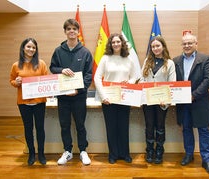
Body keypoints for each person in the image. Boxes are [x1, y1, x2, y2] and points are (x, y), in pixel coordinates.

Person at [49, 19, 93, 165]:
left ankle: (82, 151)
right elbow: (52, 68)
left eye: (74, 28)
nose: (72, 31)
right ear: (65, 32)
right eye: (69, 29)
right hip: (63, 96)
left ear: (78, 32)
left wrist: (78, 90)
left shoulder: (85, 52)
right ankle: (67, 151)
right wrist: (61, 70)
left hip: (79, 96)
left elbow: (88, 75)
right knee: (65, 124)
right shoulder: (58, 51)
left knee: (80, 124)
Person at [173, 34, 209, 175]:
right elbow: (174, 81)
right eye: (184, 43)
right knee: (186, 128)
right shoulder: (176, 60)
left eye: (190, 43)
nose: (187, 46)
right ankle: (189, 154)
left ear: (196, 43)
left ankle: (206, 159)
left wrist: (194, 95)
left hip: (200, 101)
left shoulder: (205, 59)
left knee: (203, 130)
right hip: (183, 102)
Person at [94, 33, 136, 164]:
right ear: (110, 44)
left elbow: (134, 77)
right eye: (113, 42)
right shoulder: (105, 58)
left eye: (118, 42)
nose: (116, 44)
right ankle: (113, 154)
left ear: (122, 43)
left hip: (124, 98)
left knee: (124, 127)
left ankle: (125, 154)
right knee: (111, 127)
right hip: (108, 99)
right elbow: (97, 78)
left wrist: (130, 82)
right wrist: (103, 96)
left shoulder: (129, 59)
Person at [9, 38, 48, 166]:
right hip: (24, 103)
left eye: (33, 48)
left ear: (36, 50)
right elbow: (12, 81)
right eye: (29, 47)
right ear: (23, 48)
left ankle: (41, 154)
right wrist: (16, 82)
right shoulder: (16, 65)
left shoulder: (41, 64)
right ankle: (31, 154)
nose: (31, 49)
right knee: (28, 128)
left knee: (40, 128)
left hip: (39, 102)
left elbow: (47, 80)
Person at [140, 36, 176, 164]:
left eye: (158, 46)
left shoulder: (169, 63)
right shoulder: (147, 61)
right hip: (148, 101)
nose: (155, 48)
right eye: (153, 46)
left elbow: (172, 83)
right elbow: (142, 80)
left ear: (163, 47)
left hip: (162, 101)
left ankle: (159, 150)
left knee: (160, 127)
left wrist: (165, 99)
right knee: (149, 126)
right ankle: (149, 150)